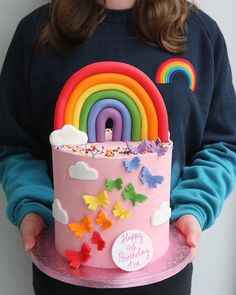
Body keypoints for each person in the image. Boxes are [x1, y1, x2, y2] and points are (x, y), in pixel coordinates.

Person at [0, 0, 235, 294]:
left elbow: (222, 143)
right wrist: (32, 206)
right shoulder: (37, 33)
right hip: (65, 266)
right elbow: (14, 142)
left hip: (162, 268)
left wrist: (194, 208)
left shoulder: (200, 34)